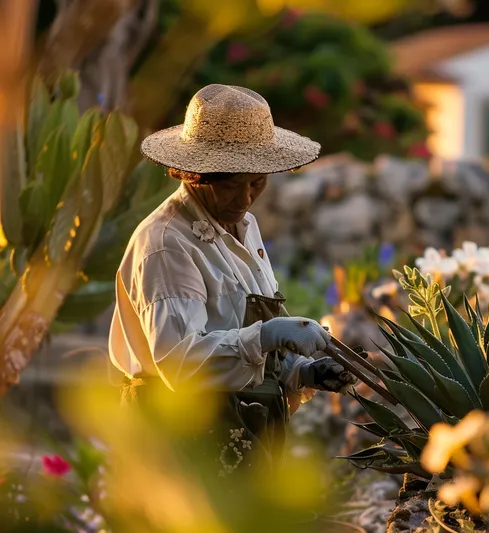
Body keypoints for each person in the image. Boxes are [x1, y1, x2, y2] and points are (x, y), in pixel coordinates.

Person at [108, 84, 357, 477]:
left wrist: (301, 371)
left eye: (256, 183)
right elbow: (180, 364)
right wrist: (269, 334)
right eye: (229, 186)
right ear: (194, 175)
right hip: (182, 440)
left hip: (239, 430)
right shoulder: (167, 243)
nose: (244, 200)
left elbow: (236, 328)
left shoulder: (244, 225)